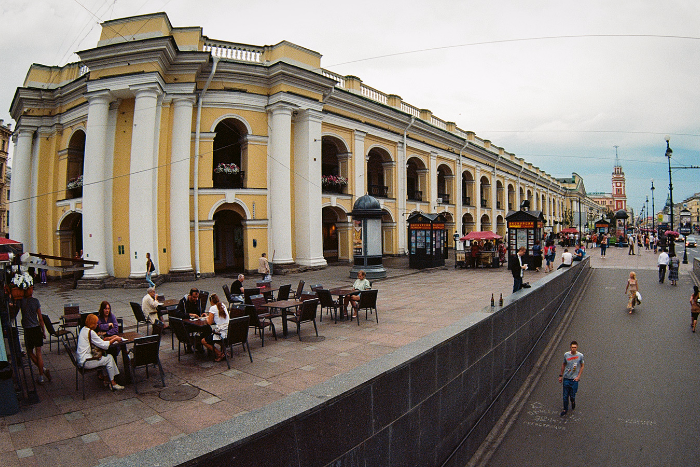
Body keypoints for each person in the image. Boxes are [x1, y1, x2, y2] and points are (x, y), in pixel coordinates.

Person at [77, 314, 124, 390]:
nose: (97, 325)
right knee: (109, 358)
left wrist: (110, 338)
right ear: (92, 324)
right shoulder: (91, 332)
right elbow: (103, 345)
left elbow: (98, 340)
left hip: (81, 360)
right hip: (86, 361)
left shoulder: (83, 329)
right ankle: (113, 383)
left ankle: (106, 379)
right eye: (96, 323)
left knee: (105, 358)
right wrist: (114, 339)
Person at [19, 287, 51, 384]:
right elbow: (40, 318)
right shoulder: (36, 301)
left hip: (28, 330)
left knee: (29, 352)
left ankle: (43, 370)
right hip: (36, 329)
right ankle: (42, 375)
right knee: (39, 353)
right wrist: (43, 331)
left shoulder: (21, 302)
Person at [201, 294, 230, 362]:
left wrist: (207, 317)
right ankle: (224, 352)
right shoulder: (222, 305)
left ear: (211, 301)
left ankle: (219, 353)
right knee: (218, 337)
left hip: (220, 333)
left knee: (203, 341)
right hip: (228, 331)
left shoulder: (213, 308)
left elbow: (209, 322)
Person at [558, 341, 584, 417]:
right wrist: (561, 375)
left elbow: (582, 365)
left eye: (575, 347)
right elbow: (563, 364)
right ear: (570, 347)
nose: (573, 349)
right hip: (566, 378)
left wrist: (578, 376)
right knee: (565, 395)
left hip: (574, 379)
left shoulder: (580, 356)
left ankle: (573, 401)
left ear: (577, 347)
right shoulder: (566, 355)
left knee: (572, 395)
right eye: (572, 347)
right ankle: (565, 409)